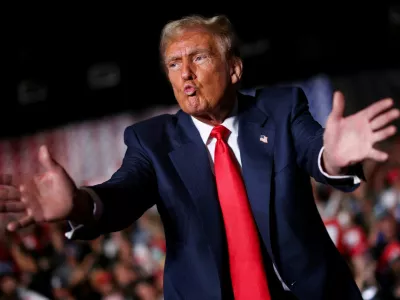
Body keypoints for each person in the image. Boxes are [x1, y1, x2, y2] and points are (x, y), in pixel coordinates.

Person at [0, 15, 399, 300]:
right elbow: (122, 194)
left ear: (234, 68)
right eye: (174, 64)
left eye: (199, 58)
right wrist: (82, 205)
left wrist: (334, 157)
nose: (185, 74)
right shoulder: (153, 141)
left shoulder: (280, 110)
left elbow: (317, 152)